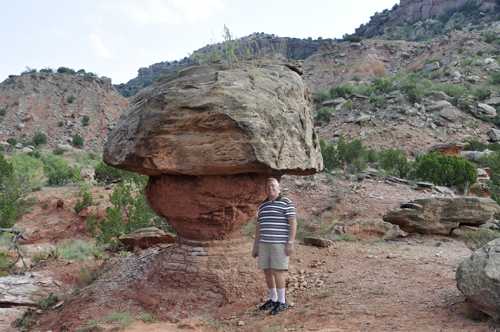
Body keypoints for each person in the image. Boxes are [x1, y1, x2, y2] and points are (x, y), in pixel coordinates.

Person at [252, 177, 297, 315]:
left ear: (278, 187)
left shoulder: (286, 202)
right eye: (268, 186)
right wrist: (256, 245)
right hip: (264, 244)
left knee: (277, 271)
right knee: (267, 271)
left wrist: (290, 242)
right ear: (265, 190)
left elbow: (293, 223)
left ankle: (282, 302)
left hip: (279, 244)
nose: (270, 188)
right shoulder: (263, 205)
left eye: (273, 185)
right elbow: (259, 226)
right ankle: (273, 299)